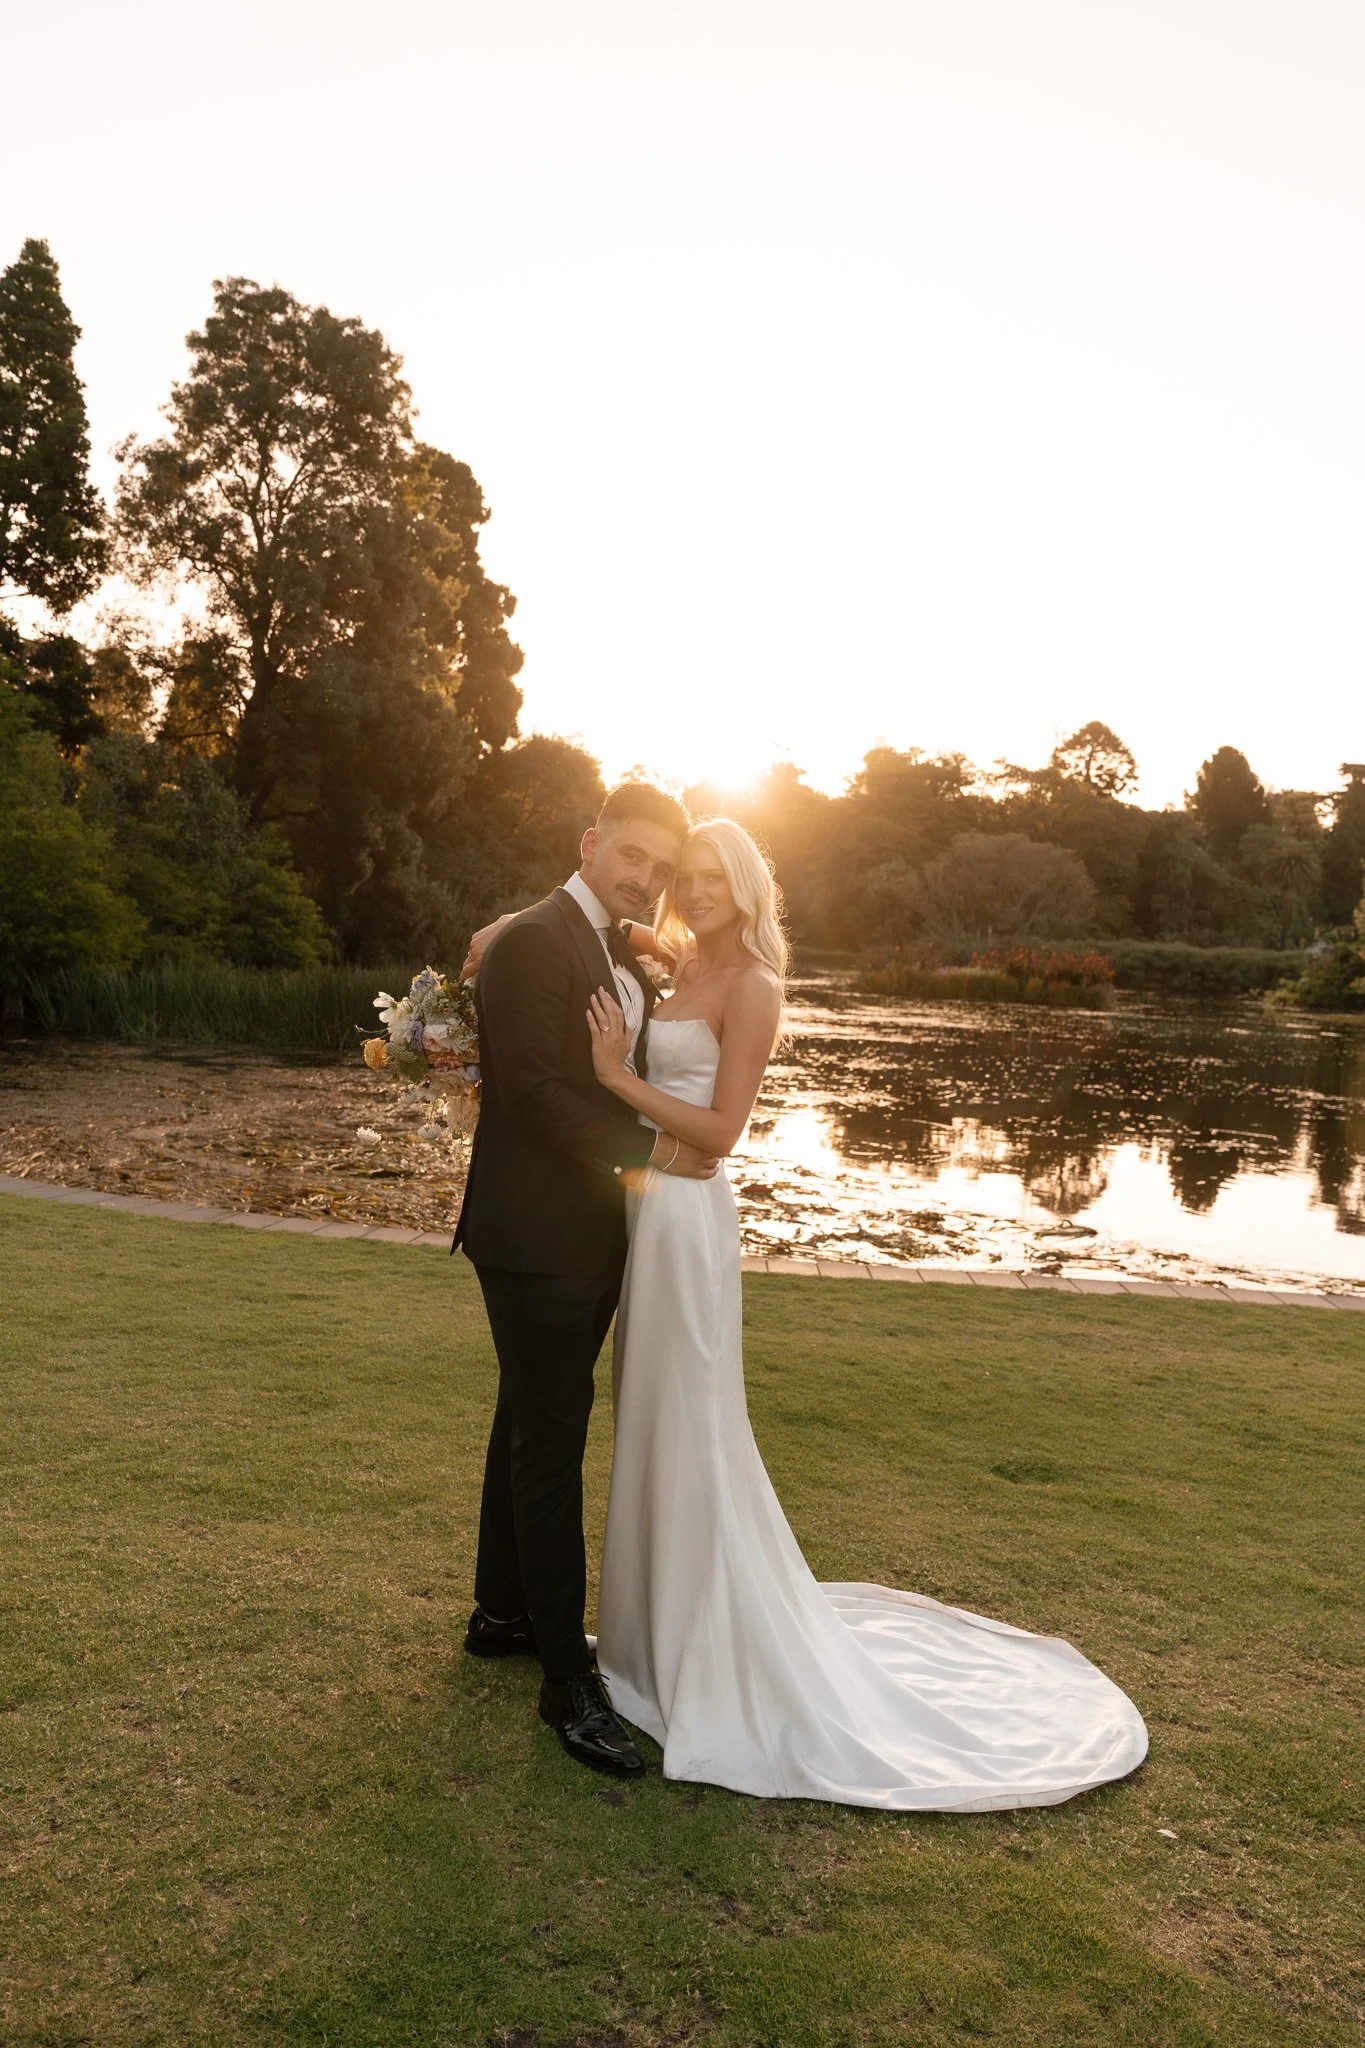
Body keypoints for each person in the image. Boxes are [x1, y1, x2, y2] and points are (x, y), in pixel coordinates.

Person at [577, 817, 1149, 1808]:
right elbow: (624, 935)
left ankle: (701, 1647)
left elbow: (718, 1138)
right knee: (649, 1415)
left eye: (720, 875)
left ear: (750, 887)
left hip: (687, 1220)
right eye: (690, 874)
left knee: (690, 1425)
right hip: (647, 1215)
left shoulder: (753, 985)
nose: (701, 887)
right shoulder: (680, 964)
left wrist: (619, 1081)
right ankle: (647, 1634)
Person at [453, 782, 717, 1779]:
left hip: (584, 1234)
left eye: (661, 866)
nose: (645, 876)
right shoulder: (535, 939)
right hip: (537, 1236)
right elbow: (532, 1095)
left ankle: (502, 1612)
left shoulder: (604, 937)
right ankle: (568, 1679)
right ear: (592, 841)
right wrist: (651, 1153)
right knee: (551, 1437)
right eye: (633, 855)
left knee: (528, 1413)